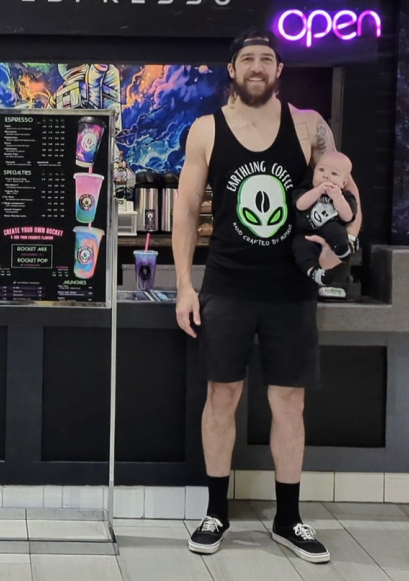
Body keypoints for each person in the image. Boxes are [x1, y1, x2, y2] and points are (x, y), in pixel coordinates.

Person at [173, 31, 362, 564]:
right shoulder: (206, 129)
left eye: (266, 59)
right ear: (231, 70)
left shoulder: (308, 127)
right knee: (222, 398)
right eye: (247, 59)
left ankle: (289, 519)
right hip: (228, 285)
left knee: (289, 403)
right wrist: (186, 286)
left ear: (280, 69)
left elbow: (349, 199)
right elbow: (187, 211)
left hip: (289, 289)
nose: (257, 66)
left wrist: (338, 251)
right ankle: (215, 512)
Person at [292, 151, 358, 286]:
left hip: (330, 233)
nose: (325, 176)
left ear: (344, 183)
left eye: (334, 174)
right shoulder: (307, 189)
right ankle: (315, 272)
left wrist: (337, 197)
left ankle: (342, 249)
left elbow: (347, 217)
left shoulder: (345, 196)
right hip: (306, 233)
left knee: (334, 228)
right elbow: (300, 205)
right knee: (299, 248)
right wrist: (317, 191)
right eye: (321, 170)